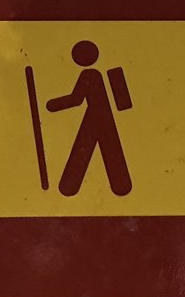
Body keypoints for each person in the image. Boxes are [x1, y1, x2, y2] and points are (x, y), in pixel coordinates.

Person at [46, 40, 134, 196]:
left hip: (98, 118)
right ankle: (119, 186)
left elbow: (76, 99)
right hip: (103, 119)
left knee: (89, 150)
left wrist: (52, 105)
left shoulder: (90, 75)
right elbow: (123, 102)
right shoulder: (101, 74)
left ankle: (71, 187)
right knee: (111, 152)